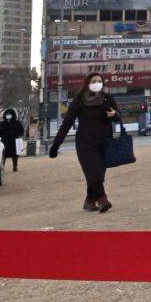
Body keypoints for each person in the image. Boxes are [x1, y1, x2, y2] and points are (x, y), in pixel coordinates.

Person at [49, 73, 120, 213]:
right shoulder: (79, 101)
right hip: (85, 144)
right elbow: (67, 123)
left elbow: (117, 116)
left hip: (104, 142)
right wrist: (56, 144)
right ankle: (102, 199)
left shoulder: (107, 98)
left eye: (100, 81)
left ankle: (89, 201)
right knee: (94, 171)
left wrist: (114, 115)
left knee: (97, 173)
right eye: (94, 81)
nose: (97, 83)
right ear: (87, 83)